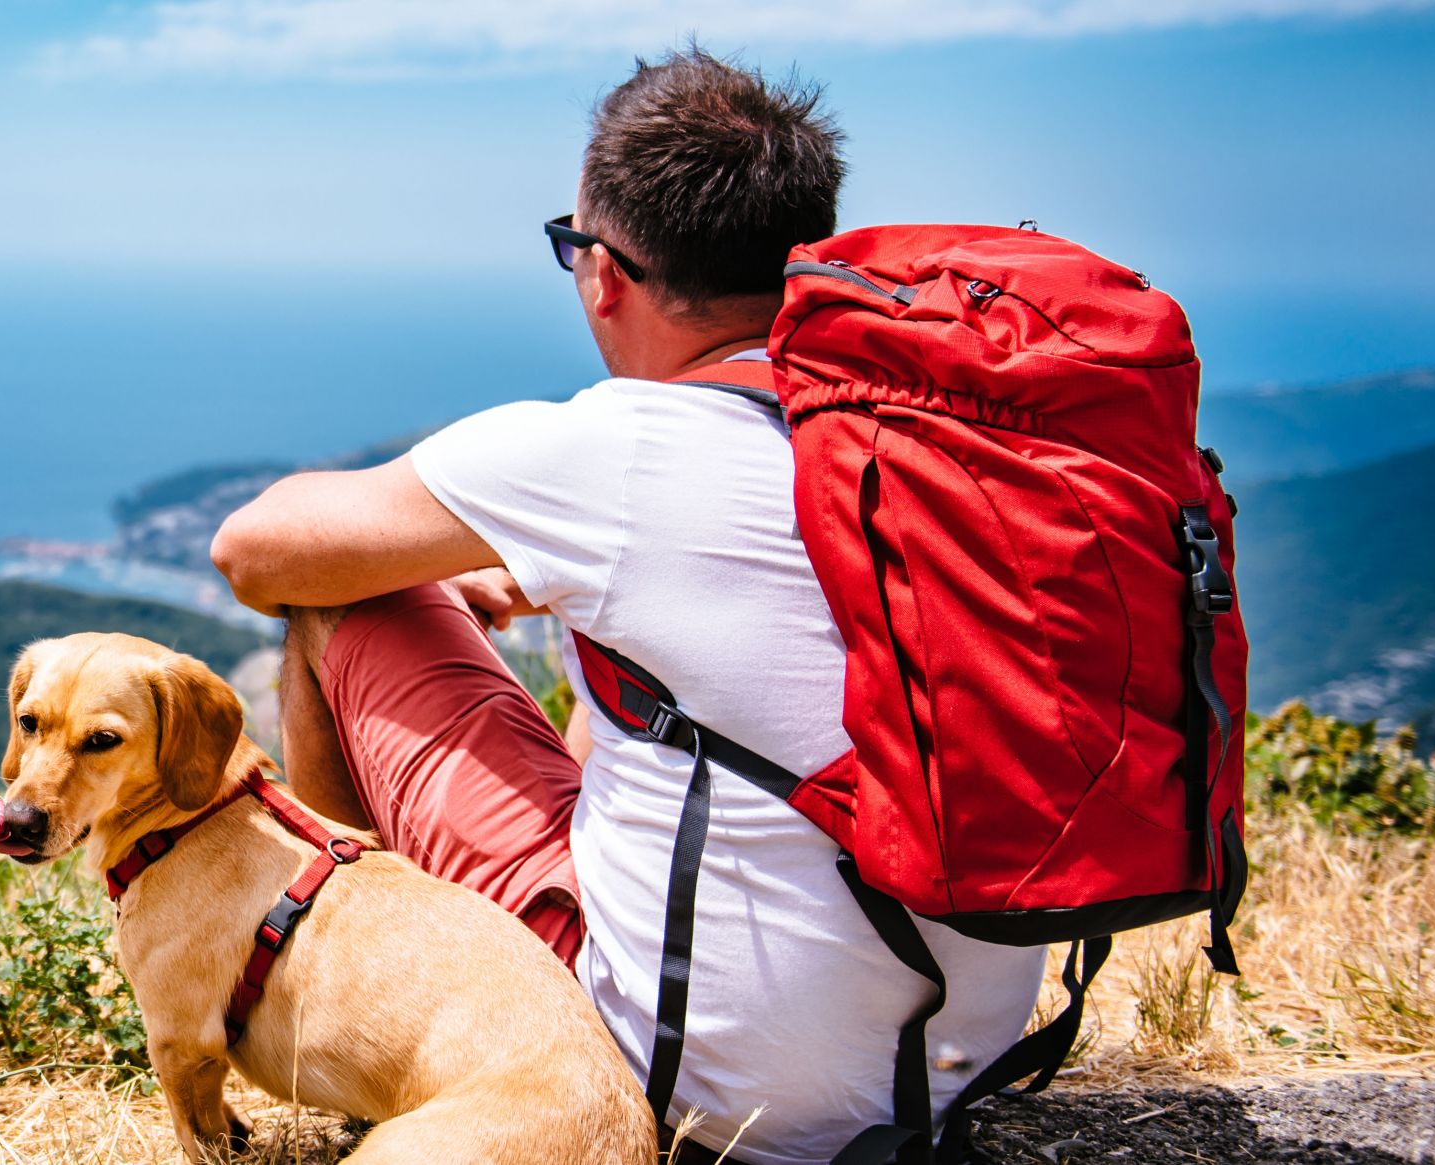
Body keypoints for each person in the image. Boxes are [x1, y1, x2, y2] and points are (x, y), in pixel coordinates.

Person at [209, 48, 1047, 1165]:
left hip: (712, 1083)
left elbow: (256, 553)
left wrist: (432, 565)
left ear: (602, 270)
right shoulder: (932, 436)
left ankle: (359, 1021)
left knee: (343, 607)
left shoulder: (618, 448)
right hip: (954, 1059)